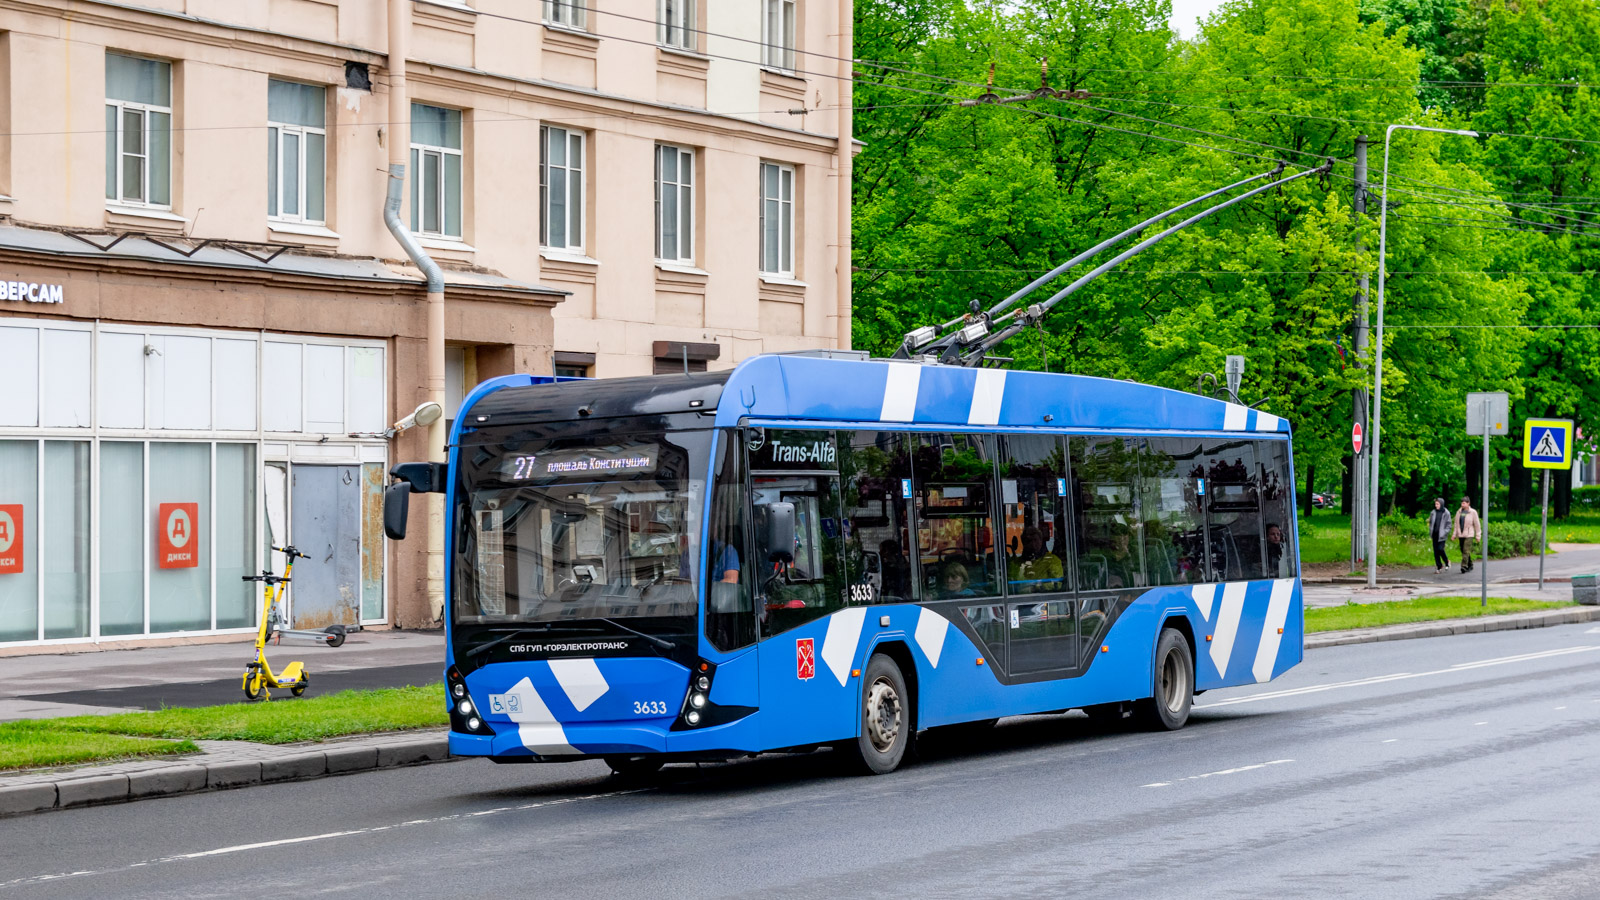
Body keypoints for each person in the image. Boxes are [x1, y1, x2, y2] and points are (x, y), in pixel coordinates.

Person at [1008, 526, 1064, 592]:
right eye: (1028, 541)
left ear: (1041, 541)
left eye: (1035, 540)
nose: (1033, 544)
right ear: (1023, 543)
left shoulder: (1052, 560)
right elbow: (1010, 585)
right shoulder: (1015, 563)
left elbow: (1057, 584)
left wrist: (1035, 587)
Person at [1450, 495, 1481, 573]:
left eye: (1464, 503)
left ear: (1468, 503)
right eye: (1462, 503)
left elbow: (1477, 524)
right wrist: (1454, 534)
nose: (1462, 504)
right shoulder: (1459, 512)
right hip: (1461, 534)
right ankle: (1470, 564)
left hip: (1469, 534)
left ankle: (1464, 566)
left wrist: (1478, 535)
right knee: (1463, 550)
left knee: (1466, 550)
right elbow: (1456, 524)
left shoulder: (1473, 512)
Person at [1427, 498, 1452, 574]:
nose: (1436, 505)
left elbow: (1449, 525)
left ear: (1441, 504)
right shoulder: (1433, 512)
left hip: (1442, 535)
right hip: (1434, 534)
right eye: (1435, 504)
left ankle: (1447, 561)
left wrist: (1445, 532)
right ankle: (1439, 566)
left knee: (1440, 549)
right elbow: (1431, 522)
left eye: (1437, 504)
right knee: (1436, 552)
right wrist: (1430, 530)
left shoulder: (1446, 513)